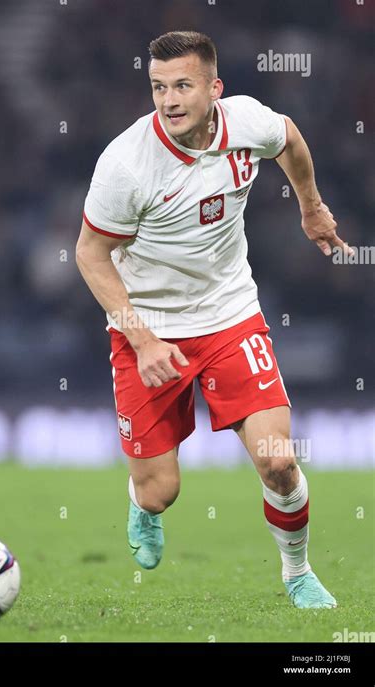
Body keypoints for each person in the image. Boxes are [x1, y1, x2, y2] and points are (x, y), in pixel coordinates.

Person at [76, 30, 352, 608]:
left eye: (182, 86)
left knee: (278, 462)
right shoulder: (126, 164)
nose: (169, 100)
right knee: (161, 491)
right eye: (158, 87)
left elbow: (289, 138)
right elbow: (90, 255)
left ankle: (297, 573)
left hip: (230, 315)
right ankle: (142, 504)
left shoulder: (246, 121)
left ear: (214, 88)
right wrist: (142, 340)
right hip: (148, 328)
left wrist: (311, 207)